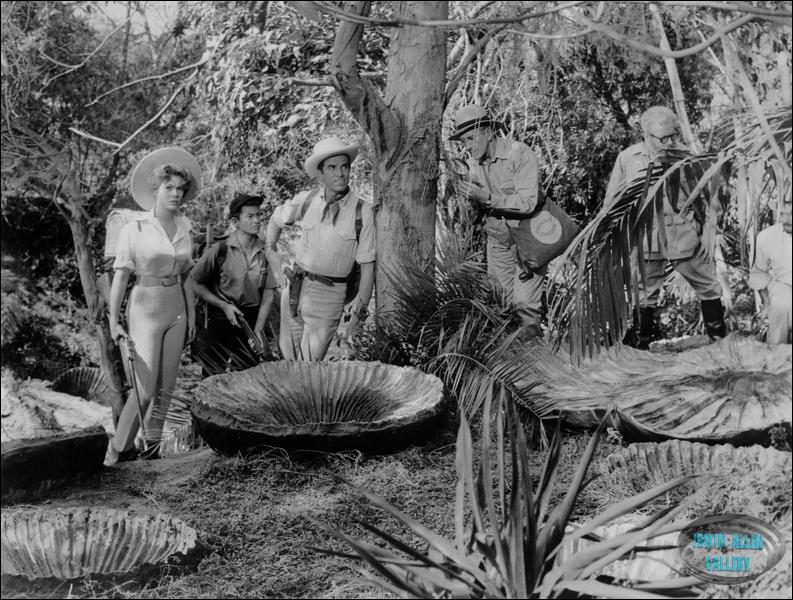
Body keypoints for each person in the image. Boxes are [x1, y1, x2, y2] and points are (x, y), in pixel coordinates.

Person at [106, 147, 200, 464]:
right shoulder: (135, 227)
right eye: (169, 187)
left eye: (180, 189)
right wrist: (112, 321)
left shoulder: (186, 227)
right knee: (145, 388)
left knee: (166, 387)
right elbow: (120, 276)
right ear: (156, 190)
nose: (175, 194)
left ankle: (151, 452)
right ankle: (117, 451)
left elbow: (187, 275)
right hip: (144, 303)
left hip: (176, 307)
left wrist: (190, 316)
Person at [604, 105, 726, 349]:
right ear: (645, 135)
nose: (670, 141)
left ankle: (719, 343)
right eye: (663, 138)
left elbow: (712, 199)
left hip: (687, 236)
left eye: (673, 135)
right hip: (647, 238)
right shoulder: (628, 158)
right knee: (643, 293)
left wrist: (710, 234)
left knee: (709, 286)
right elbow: (612, 203)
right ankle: (640, 347)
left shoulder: (687, 157)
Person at [265, 136, 376, 360]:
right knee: (287, 362)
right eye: (332, 167)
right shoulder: (307, 200)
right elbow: (276, 221)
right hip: (295, 289)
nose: (340, 173)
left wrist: (358, 318)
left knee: (307, 367)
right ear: (321, 173)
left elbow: (367, 271)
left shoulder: (362, 211)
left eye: (344, 167)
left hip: (329, 295)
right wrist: (272, 255)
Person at [450, 104, 545, 337]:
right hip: (498, 239)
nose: (468, 147)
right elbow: (472, 217)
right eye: (463, 142)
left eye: (471, 138)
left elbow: (529, 202)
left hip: (529, 236)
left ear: (489, 131)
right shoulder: (472, 165)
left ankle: (535, 361)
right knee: (501, 305)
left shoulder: (519, 153)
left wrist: (488, 197)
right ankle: (509, 362)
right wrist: (466, 199)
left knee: (525, 306)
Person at [191, 194, 276, 376]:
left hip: (251, 320)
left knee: (247, 378)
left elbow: (268, 294)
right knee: (213, 377)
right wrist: (224, 305)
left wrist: (259, 330)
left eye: (259, 215)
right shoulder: (220, 250)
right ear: (236, 222)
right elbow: (195, 283)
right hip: (220, 318)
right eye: (250, 216)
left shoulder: (266, 251)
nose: (257, 220)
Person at [749, 202, 792, 344]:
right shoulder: (767, 237)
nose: (785, 220)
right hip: (784, 286)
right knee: (781, 304)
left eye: (791, 214)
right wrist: (766, 304)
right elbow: (759, 273)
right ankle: (775, 357)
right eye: (782, 214)